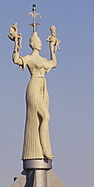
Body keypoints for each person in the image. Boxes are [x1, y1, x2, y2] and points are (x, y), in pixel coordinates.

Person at [10, 24, 59, 160]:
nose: (41, 44)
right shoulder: (30, 58)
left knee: (42, 119)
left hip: (44, 88)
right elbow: (16, 60)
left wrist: (52, 46)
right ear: (33, 44)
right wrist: (16, 44)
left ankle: (44, 148)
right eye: (39, 42)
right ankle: (44, 149)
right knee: (46, 117)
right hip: (34, 87)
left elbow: (54, 63)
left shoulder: (43, 59)